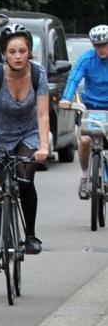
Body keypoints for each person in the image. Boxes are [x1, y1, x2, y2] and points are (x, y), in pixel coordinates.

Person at [0, 23, 49, 263]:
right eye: (12, 51)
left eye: (22, 51)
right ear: (5, 53)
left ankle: (31, 235)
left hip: (27, 134)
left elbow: (43, 114)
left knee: (25, 176)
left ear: (29, 52)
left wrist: (43, 146)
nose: (18, 56)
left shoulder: (37, 73)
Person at [60, 24, 108, 199]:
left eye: (104, 44)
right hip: (91, 107)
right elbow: (74, 78)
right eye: (97, 45)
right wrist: (66, 98)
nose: (101, 49)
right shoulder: (86, 59)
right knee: (86, 140)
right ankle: (85, 174)